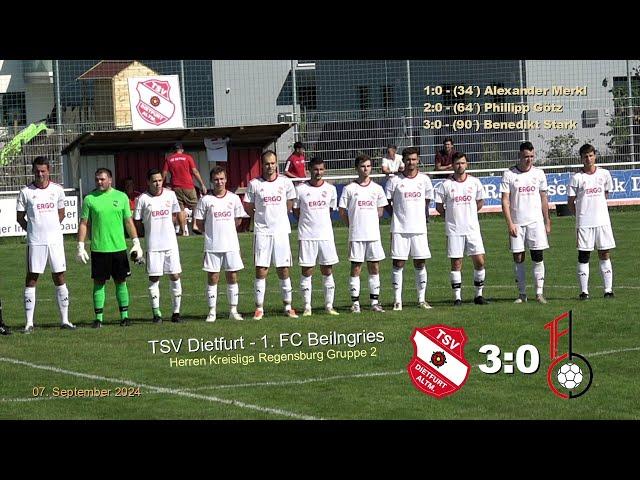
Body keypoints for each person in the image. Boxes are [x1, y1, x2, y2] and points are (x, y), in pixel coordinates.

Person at [77, 168, 143, 328]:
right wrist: (80, 245)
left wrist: (136, 242)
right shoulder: (89, 199)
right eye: (97, 179)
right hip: (99, 249)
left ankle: (125, 317)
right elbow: (84, 223)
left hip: (119, 248)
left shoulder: (121, 197)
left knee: (121, 282)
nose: (99, 182)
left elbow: (128, 221)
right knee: (99, 283)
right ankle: (99, 318)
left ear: (110, 180)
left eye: (102, 179)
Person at [16, 156, 75, 332]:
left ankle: (65, 320)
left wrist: (52, 230)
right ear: (33, 171)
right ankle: (29, 323)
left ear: (49, 170)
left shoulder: (57, 190)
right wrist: (34, 231)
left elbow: (62, 214)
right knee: (32, 278)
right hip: (36, 242)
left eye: (43, 171)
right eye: (37, 171)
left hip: (55, 242)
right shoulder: (25, 192)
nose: (40, 174)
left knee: (59, 276)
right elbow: (20, 218)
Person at [244, 150, 298, 320]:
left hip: (281, 231)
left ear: (277, 164)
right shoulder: (254, 184)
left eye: (273, 163)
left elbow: (290, 203)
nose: (270, 166)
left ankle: (288, 306)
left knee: (283, 269)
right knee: (261, 269)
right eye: (267, 163)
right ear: (262, 165)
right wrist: (259, 218)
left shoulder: (285, 182)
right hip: (262, 232)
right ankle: (259, 308)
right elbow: (247, 206)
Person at [194, 166, 248, 322]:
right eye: (216, 179)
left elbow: (238, 220)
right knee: (213, 278)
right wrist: (211, 234)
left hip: (231, 245)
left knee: (232, 276)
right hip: (212, 246)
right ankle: (212, 312)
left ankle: (233, 310)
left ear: (226, 179)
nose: (219, 182)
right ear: (211, 181)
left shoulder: (233, 198)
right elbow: (199, 223)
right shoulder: (205, 200)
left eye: (222, 179)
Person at [435, 152, 489, 306]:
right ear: (452, 165)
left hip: (472, 229)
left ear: (467, 164)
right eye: (457, 163)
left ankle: (478, 295)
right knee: (456, 263)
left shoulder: (475, 182)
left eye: (463, 163)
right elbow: (439, 207)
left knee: (479, 261)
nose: (460, 166)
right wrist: (452, 217)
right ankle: (457, 297)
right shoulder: (445, 185)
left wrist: (469, 215)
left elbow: (479, 202)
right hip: (454, 230)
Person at [500, 141, 550, 304]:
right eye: (526, 156)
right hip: (517, 223)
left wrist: (547, 221)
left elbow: (544, 199)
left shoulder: (539, 174)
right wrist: (510, 224)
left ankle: (539, 293)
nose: (529, 159)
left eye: (531, 156)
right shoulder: (509, 174)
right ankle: (521, 294)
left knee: (538, 256)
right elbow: (505, 201)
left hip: (536, 223)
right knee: (518, 257)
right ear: (519, 156)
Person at [384, 147, 434, 311]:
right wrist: (398, 217)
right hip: (399, 229)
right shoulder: (394, 180)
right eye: (408, 159)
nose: (411, 162)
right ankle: (397, 301)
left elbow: (427, 202)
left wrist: (421, 218)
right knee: (398, 263)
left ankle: (421, 299)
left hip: (419, 228)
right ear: (403, 161)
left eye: (413, 159)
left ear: (418, 160)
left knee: (420, 262)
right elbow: (387, 204)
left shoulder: (424, 180)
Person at [339, 154, 388, 313]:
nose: (365, 169)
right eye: (362, 166)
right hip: (357, 235)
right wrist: (352, 226)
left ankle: (374, 302)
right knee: (356, 268)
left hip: (373, 235)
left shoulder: (377, 189)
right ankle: (355, 303)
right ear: (356, 168)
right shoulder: (350, 188)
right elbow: (342, 211)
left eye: (368, 166)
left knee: (374, 267)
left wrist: (371, 222)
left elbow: (380, 211)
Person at [133, 168, 184, 324]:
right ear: (148, 182)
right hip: (153, 246)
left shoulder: (171, 195)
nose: (157, 183)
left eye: (160, 180)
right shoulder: (142, 199)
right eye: (154, 181)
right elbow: (137, 221)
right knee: (154, 278)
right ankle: (157, 314)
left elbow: (175, 214)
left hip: (170, 244)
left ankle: (176, 313)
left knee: (175, 276)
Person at [568, 144, 616, 300]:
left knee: (604, 253)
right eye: (585, 156)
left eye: (590, 155)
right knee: (584, 255)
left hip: (602, 221)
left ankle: (608, 290)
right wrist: (580, 216)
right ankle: (584, 292)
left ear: (595, 156)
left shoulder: (604, 174)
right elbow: (571, 202)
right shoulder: (577, 178)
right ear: (581, 158)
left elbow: (606, 194)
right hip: (584, 223)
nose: (588, 159)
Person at [292, 157, 340, 316]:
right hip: (307, 236)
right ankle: (307, 307)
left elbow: (331, 211)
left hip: (325, 236)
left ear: (324, 170)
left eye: (321, 169)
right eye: (315, 169)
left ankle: (329, 306)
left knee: (327, 270)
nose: (318, 173)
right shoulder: (300, 189)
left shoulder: (331, 190)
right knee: (307, 271)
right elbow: (296, 211)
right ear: (309, 170)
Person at [162, 143, 207, 236]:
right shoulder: (188, 157)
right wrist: (202, 184)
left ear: (174, 150)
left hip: (176, 186)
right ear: (182, 150)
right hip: (188, 185)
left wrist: (160, 185)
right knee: (195, 205)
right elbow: (195, 171)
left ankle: (183, 231)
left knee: (180, 208)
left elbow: (164, 173)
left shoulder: (169, 159)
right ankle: (195, 225)